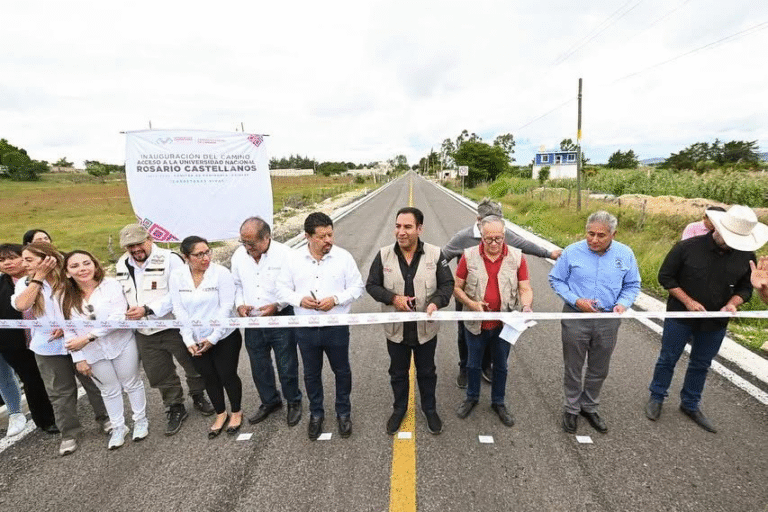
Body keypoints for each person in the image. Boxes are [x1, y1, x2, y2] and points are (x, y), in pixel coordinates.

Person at [646, 205, 768, 432]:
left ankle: (690, 404)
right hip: (680, 316)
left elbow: (745, 288)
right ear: (719, 229)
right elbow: (666, 277)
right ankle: (657, 396)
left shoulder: (746, 257)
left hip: (715, 322)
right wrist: (688, 301)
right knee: (668, 358)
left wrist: (733, 304)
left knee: (702, 364)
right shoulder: (686, 248)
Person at [442, 198, 561, 389]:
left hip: (500, 296)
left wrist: (548, 254)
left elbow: (526, 245)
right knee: (465, 333)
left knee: (494, 333)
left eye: (498, 225)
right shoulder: (462, 237)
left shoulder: (503, 233)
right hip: (469, 296)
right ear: (478, 220)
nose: (494, 236)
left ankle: (486, 365)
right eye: (488, 225)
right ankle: (465, 367)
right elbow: (442, 258)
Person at [11, 242, 109, 456]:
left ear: (47, 259)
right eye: (23, 259)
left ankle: (107, 419)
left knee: (94, 383)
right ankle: (69, 433)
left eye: (29, 259)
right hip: (47, 348)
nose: (23, 263)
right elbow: (22, 305)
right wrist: (38, 277)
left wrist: (68, 329)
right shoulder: (25, 282)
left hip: (80, 341)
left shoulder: (69, 280)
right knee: (60, 393)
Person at [116, 224, 214, 436]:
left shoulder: (170, 259)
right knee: (159, 372)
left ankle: (199, 395)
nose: (135, 249)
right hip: (144, 330)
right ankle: (175, 405)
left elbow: (179, 292)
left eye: (139, 243)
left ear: (150, 239)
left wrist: (148, 309)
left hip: (173, 325)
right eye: (129, 246)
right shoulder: (122, 264)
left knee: (192, 364)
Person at [549, 211, 641, 434]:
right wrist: (576, 300)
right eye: (590, 234)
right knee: (573, 365)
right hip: (575, 317)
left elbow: (633, 284)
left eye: (601, 235)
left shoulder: (625, 254)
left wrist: (623, 303)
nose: (594, 240)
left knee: (599, 367)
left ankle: (589, 405)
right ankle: (571, 408)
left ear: (613, 234)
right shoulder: (572, 252)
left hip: (608, 320)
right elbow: (556, 280)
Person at [366, 207, 454, 435]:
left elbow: (447, 285)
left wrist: (436, 302)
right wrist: (393, 298)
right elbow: (372, 285)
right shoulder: (383, 254)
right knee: (397, 373)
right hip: (396, 331)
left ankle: (430, 409)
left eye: (407, 227)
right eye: (397, 226)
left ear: (419, 229)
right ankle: (399, 409)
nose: (401, 232)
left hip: (426, 331)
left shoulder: (436, 255)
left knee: (427, 373)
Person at [277, 212, 364, 440]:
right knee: (311, 374)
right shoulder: (293, 260)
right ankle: (316, 414)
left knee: (342, 371)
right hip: (305, 328)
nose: (328, 240)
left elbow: (357, 288)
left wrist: (335, 299)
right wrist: (299, 300)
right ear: (307, 236)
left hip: (336, 327)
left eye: (330, 234)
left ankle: (343, 412)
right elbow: (281, 289)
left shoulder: (343, 258)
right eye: (322, 236)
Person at [61, 250, 148, 450]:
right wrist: (78, 357)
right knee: (108, 390)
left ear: (94, 264)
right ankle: (119, 427)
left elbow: (118, 318)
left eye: (86, 263)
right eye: (75, 266)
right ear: (67, 272)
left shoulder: (111, 286)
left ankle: (140, 420)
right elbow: (68, 329)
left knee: (132, 382)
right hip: (92, 352)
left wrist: (89, 337)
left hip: (121, 342)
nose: (82, 269)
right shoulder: (64, 296)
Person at [453, 215, 533, 427]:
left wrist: (526, 306)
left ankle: (498, 402)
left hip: (504, 324)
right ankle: (471, 397)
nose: (494, 244)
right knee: (473, 364)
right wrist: (471, 304)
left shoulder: (517, 257)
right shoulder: (468, 256)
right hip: (475, 324)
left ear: (504, 236)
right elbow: (456, 288)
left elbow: (525, 288)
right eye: (489, 239)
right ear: (481, 237)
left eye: (499, 239)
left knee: (501, 366)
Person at [232, 217, 302, 427]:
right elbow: (236, 285)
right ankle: (270, 401)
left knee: (286, 363)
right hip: (253, 320)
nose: (247, 248)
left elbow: (295, 287)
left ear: (267, 237)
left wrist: (277, 305)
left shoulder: (286, 255)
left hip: (280, 317)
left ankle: (293, 401)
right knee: (259, 365)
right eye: (243, 242)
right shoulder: (238, 256)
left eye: (251, 243)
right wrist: (240, 305)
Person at [170, 236, 243, 438]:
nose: (205, 258)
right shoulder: (177, 276)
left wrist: (213, 338)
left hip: (223, 336)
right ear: (186, 257)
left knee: (227, 374)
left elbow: (226, 307)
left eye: (207, 252)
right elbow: (179, 309)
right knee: (209, 377)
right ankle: (221, 413)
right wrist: (188, 339)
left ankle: (236, 411)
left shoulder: (221, 273)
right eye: (198, 254)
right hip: (195, 338)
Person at [0, 243, 56, 437]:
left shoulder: (46, 278)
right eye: (1, 260)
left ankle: (65, 412)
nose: (7, 263)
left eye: (12, 257)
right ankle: (45, 421)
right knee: (32, 381)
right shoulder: (2, 285)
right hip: (16, 344)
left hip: (49, 338)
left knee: (55, 378)